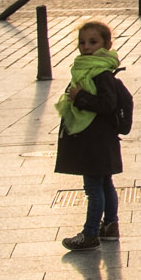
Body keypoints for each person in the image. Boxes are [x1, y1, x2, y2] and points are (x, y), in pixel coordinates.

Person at [55, 21, 124, 251]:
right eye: (82, 42)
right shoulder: (90, 68)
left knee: (93, 187)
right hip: (100, 139)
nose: (86, 47)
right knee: (105, 183)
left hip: (96, 139)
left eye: (93, 42)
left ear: (106, 44)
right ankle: (110, 226)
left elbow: (107, 104)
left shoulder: (99, 72)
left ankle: (90, 233)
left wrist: (80, 97)